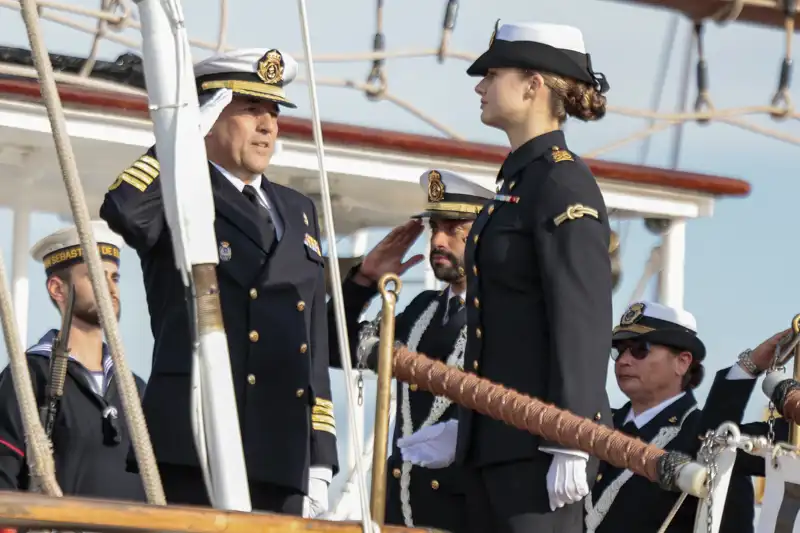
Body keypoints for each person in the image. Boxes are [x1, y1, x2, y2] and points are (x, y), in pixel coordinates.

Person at [99, 48, 337, 516]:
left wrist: (322, 457)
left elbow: (312, 339)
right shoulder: (179, 187)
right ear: (208, 118)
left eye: (273, 112)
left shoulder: (298, 209)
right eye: (250, 109)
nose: (268, 125)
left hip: (282, 451)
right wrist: (178, 141)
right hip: (195, 439)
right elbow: (123, 209)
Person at [398, 21, 613, 533]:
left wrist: (572, 436)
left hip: (541, 446)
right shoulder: (517, 183)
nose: (480, 86)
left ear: (534, 85)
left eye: (492, 74)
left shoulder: (562, 181)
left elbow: (580, 317)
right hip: (495, 445)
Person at [328, 170, 495, 532]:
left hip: (466, 513)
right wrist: (364, 280)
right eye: (434, 227)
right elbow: (332, 344)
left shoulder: (510, 316)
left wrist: (464, 436)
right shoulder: (422, 309)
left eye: (453, 228)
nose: (437, 240)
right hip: (402, 508)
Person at [588, 300, 790, 533]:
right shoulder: (593, 425)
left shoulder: (708, 436)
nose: (623, 360)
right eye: (618, 350)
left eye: (639, 349)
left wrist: (748, 367)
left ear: (682, 362)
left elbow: (784, 440)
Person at [0, 221, 146, 501]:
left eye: (114, 278)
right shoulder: (29, 377)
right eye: (95, 276)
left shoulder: (135, 388)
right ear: (58, 289)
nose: (111, 290)